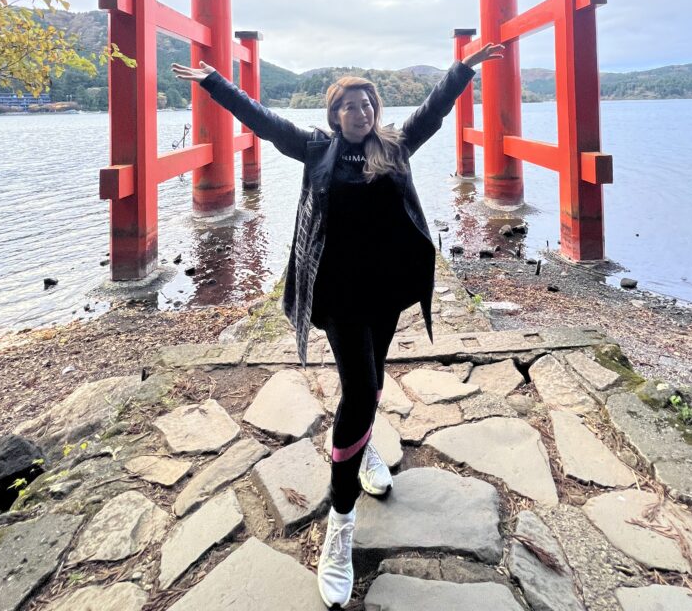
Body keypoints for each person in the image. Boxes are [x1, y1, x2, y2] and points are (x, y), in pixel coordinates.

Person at [172, 43, 504, 609]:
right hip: (338, 296)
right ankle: (341, 523)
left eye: (368, 104)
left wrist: (463, 70)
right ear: (334, 115)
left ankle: (364, 444)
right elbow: (259, 116)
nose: (361, 113)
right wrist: (214, 83)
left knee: (372, 386)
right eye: (350, 105)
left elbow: (432, 111)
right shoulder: (316, 149)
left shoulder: (393, 148)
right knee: (357, 393)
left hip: (385, 294)